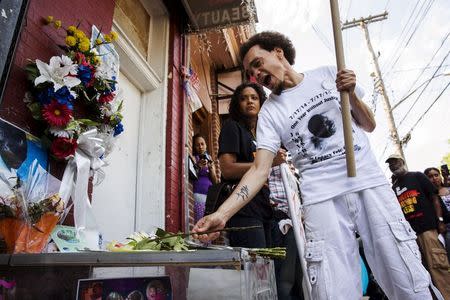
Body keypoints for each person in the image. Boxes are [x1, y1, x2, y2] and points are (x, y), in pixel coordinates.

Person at [193, 31, 435, 299]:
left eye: (258, 63)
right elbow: (259, 170)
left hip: (367, 183)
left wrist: (352, 95)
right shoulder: (270, 113)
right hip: (320, 198)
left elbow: (369, 124)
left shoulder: (327, 75)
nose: (256, 75)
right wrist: (222, 215)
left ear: (278, 53)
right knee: (332, 289)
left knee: (403, 273)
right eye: (250, 73)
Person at [217, 82, 284, 248]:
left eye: (254, 97)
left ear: (261, 102)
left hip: (266, 207)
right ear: (237, 104)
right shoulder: (232, 127)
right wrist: (267, 163)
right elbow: (227, 170)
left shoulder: (262, 135)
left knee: (271, 267)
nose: (249, 101)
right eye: (243, 98)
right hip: (243, 209)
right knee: (255, 266)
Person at [386, 155, 450, 298]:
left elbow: (434, 197)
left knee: (438, 267)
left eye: (395, 162)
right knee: (423, 272)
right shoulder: (394, 187)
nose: (393, 166)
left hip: (428, 230)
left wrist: (440, 221)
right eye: (390, 164)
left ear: (402, 162)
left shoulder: (417, 176)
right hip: (410, 236)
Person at [424, 167, 450, 261]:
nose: (434, 178)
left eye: (436, 175)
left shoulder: (448, 187)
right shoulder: (428, 197)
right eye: (430, 176)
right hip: (446, 227)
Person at [192, 134, 218, 223]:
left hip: (210, 195)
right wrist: (198, 166)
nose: (200, 147)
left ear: (206, 145)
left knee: (210, 222)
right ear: (194, 147)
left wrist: (210, 168)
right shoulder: (194, 158)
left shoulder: (209, 159)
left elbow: (215, 181)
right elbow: (192, 176)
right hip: (199, 194)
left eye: (202, 144)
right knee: (201, 221)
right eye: (197, 145)